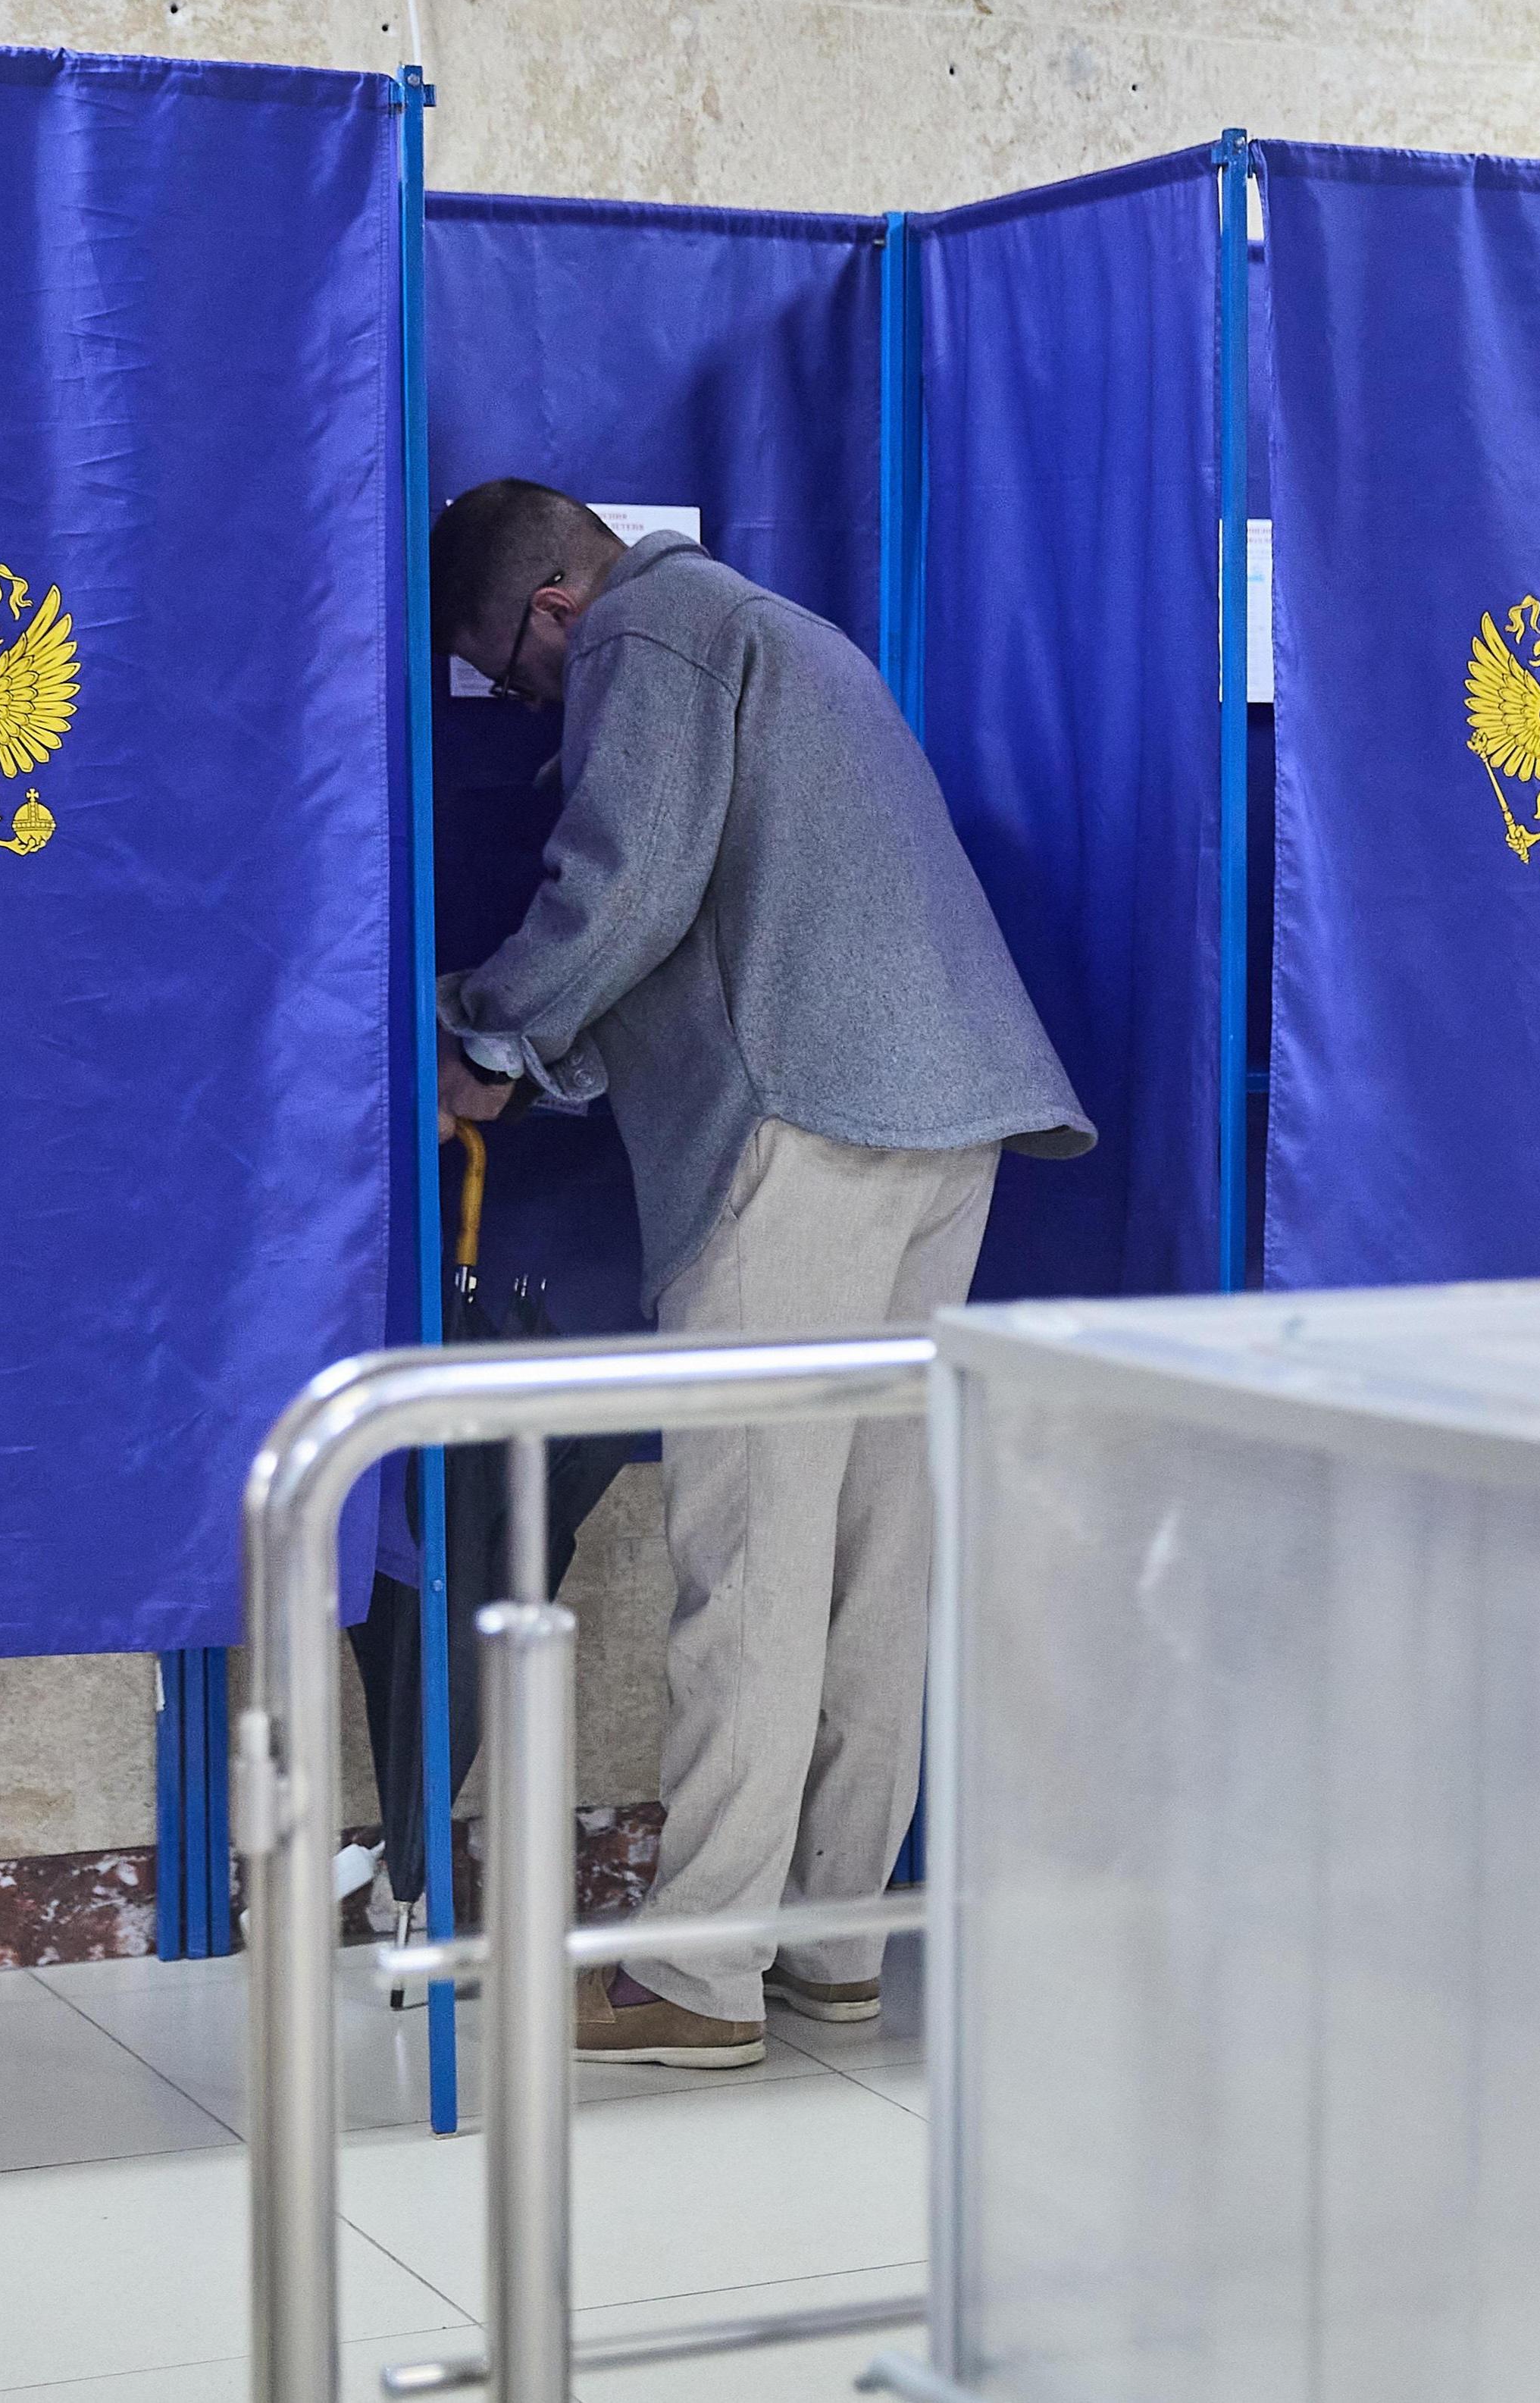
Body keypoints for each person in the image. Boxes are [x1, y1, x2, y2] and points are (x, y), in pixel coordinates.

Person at [429, 480, 1091, 2066]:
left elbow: (626, 882)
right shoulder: (783, 629)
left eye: (512, 676)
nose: (532, 710)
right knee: (877, 1553)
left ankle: (698, 1972)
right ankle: (832, 1945)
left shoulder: (648, 628)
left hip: (801, 1121)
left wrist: (487, 1034)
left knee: (754, 1551)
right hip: (953, 1116)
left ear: (553, 608)